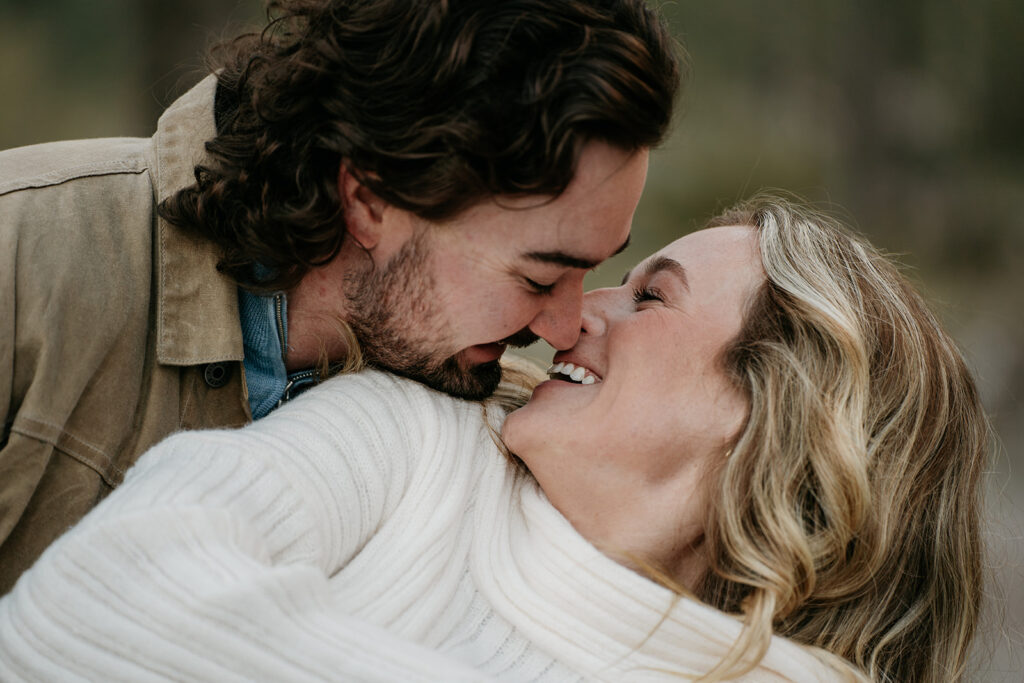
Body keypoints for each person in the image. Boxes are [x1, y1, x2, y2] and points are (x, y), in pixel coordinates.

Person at [0, 195, 988, 682]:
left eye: (650, 295)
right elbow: (90, 602)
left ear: (768, 406)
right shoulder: (418, 439)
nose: (571, 317)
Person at [0, 0, 681, 592]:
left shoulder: (507, 419)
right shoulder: (24, 264)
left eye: (590, 271)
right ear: (370, 199)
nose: (566, 325)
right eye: (537, 278)